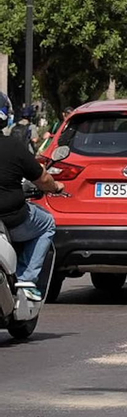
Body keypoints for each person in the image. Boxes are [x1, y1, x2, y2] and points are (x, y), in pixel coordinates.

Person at [0, 98, 66, 297]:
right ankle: (27, 281)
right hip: (11, 220)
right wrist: (56, 186)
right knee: (47, 222)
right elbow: (43, 178)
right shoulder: (13, 147)